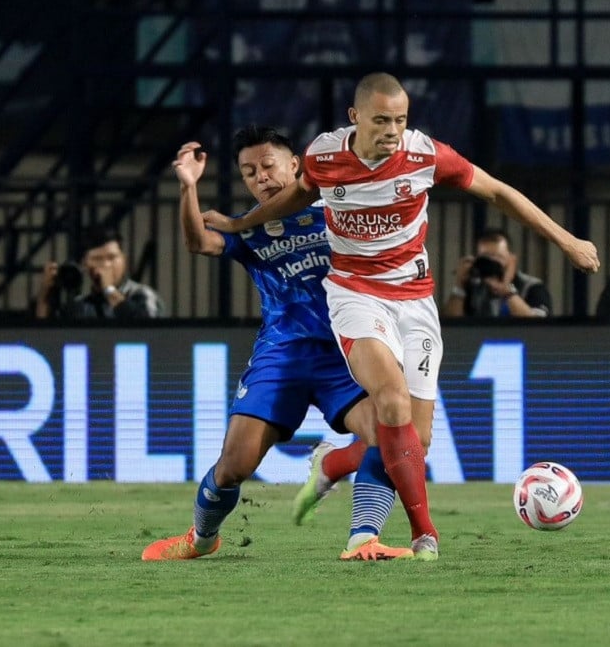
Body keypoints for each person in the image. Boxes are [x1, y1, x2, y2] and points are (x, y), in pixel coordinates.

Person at [203, 72, 600, 561]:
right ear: (356, 118)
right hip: (354, 296)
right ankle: (424, 536)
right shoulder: (325, 156)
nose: (392, 130)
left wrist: (567, 240)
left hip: (414, 300)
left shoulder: (426, 156)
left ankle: (333, 464)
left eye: (400, 119)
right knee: (389, 401)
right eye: (381, 120)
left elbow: (497, 192)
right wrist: (241, 224)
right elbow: (299, 194)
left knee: (417, 438)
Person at [142, 127, 413, 562]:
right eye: (249, 172)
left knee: (389, 433)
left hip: (345, 353)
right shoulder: (250, 228)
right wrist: (188, 188)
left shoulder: (337, 212)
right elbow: (197, 242)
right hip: (281, 355)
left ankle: (365, 538)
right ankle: (201, 538)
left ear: (295, 165)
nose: (260, 177)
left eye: (268, 165)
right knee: (235, 466)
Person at [34, 225, 165, 320]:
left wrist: (109, 290)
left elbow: (148, 329)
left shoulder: (142, 295)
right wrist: (44, 295)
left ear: (124, 259)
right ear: (85, 264)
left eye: (112, 257)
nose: (106, 265)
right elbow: (47, 338)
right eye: (97, 259)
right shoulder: (80, 305)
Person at [442, 228, 552, 318]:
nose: (492, 262)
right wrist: (459, 286)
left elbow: (539, 326)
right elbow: (451, 324)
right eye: (486, 257)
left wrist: (507, 291)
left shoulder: (532, 287)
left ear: (512, 260)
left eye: (498, 257)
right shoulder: (473, 286)